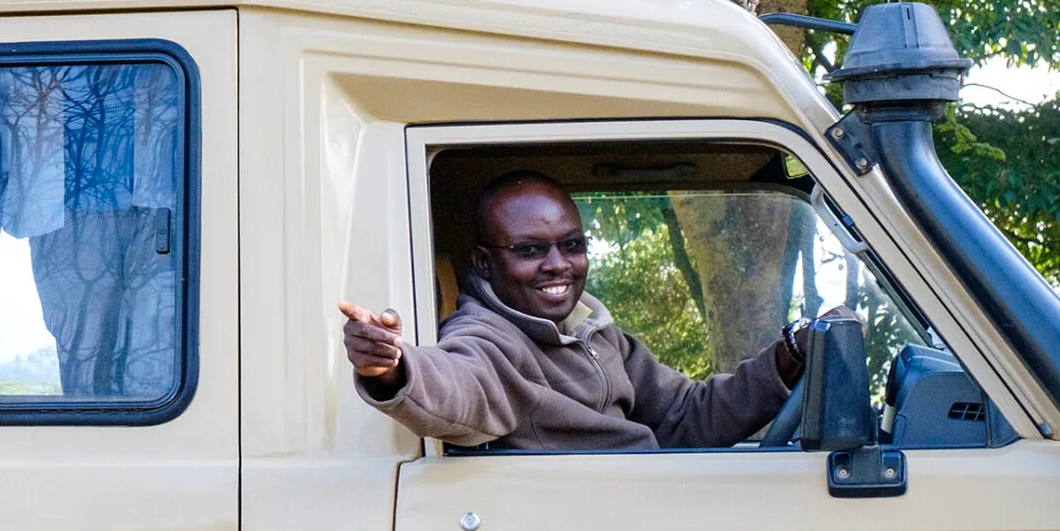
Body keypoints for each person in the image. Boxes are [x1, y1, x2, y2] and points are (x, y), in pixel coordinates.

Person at [338, 171, 822, 452]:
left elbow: (684, 416)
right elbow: (458, 385)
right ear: (486, 262)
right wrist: (393, 369)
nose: (558, 266)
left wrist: (790, 354)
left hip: (642, 508)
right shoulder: (490, 337)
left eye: (571, 245)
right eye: (530, 250)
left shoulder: (595, 332)